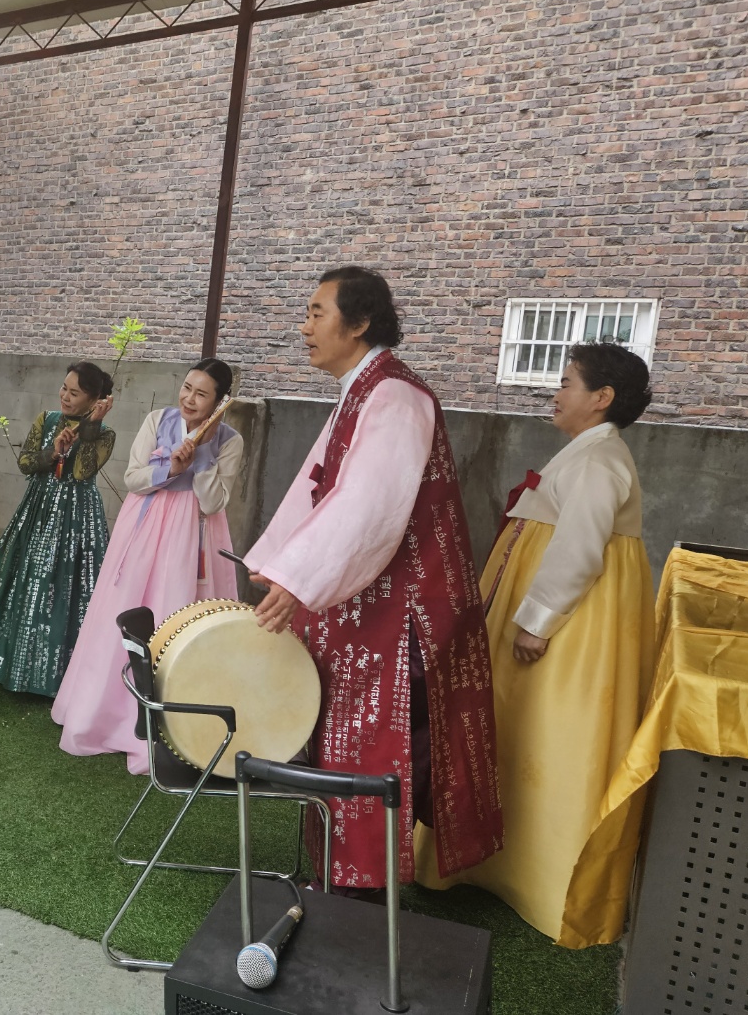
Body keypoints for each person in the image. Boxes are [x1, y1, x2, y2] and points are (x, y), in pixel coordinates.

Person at [244, 267, 502, 894]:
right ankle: (344, 883)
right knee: (345, 740)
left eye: (317, 312)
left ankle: (363, 895)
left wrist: (299, 578)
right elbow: (318, 486)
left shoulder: (395, 396)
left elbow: (369, 505)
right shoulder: (364, 389)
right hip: (367, 605)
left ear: (359, 324)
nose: (304, 327)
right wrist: (277, 564)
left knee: (375, 746)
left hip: (402, 615)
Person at [415, 342, 655, 948]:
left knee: (551, 735)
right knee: (518, 729)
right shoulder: (589, 452)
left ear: (601, 398)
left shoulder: (599, 459)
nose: (556, 392)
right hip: (551, 616)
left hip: (570, 628)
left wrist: (538, 622)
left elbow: (579, 549)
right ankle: (493, 859)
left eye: (568, 383)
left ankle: (542, 879)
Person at [52, 358, 242, 774]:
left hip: (192, 537)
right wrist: (171, 467)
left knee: (176, 613)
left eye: (202, 394)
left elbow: (214, 503)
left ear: (218, 402)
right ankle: (104, 715)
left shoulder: (230, 441)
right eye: (187, 387)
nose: (189, 399)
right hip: (144, 529)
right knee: (125, 611)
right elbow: (133, 479)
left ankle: (175, 729)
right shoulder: (158, 419)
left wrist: (202, 457)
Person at [0, 362, 116, 696]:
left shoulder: (105, 434)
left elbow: (82, 472)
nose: (65, 396)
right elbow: (25, 463)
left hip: (77, 519)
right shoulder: (46, 419)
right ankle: (9, 662)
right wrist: (53, 451)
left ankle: (59, 675)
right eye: (64, 388)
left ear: (94, 400)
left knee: (67, 588)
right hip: (37, 509)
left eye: (75, 393)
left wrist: (91, 425)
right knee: (25, 580)